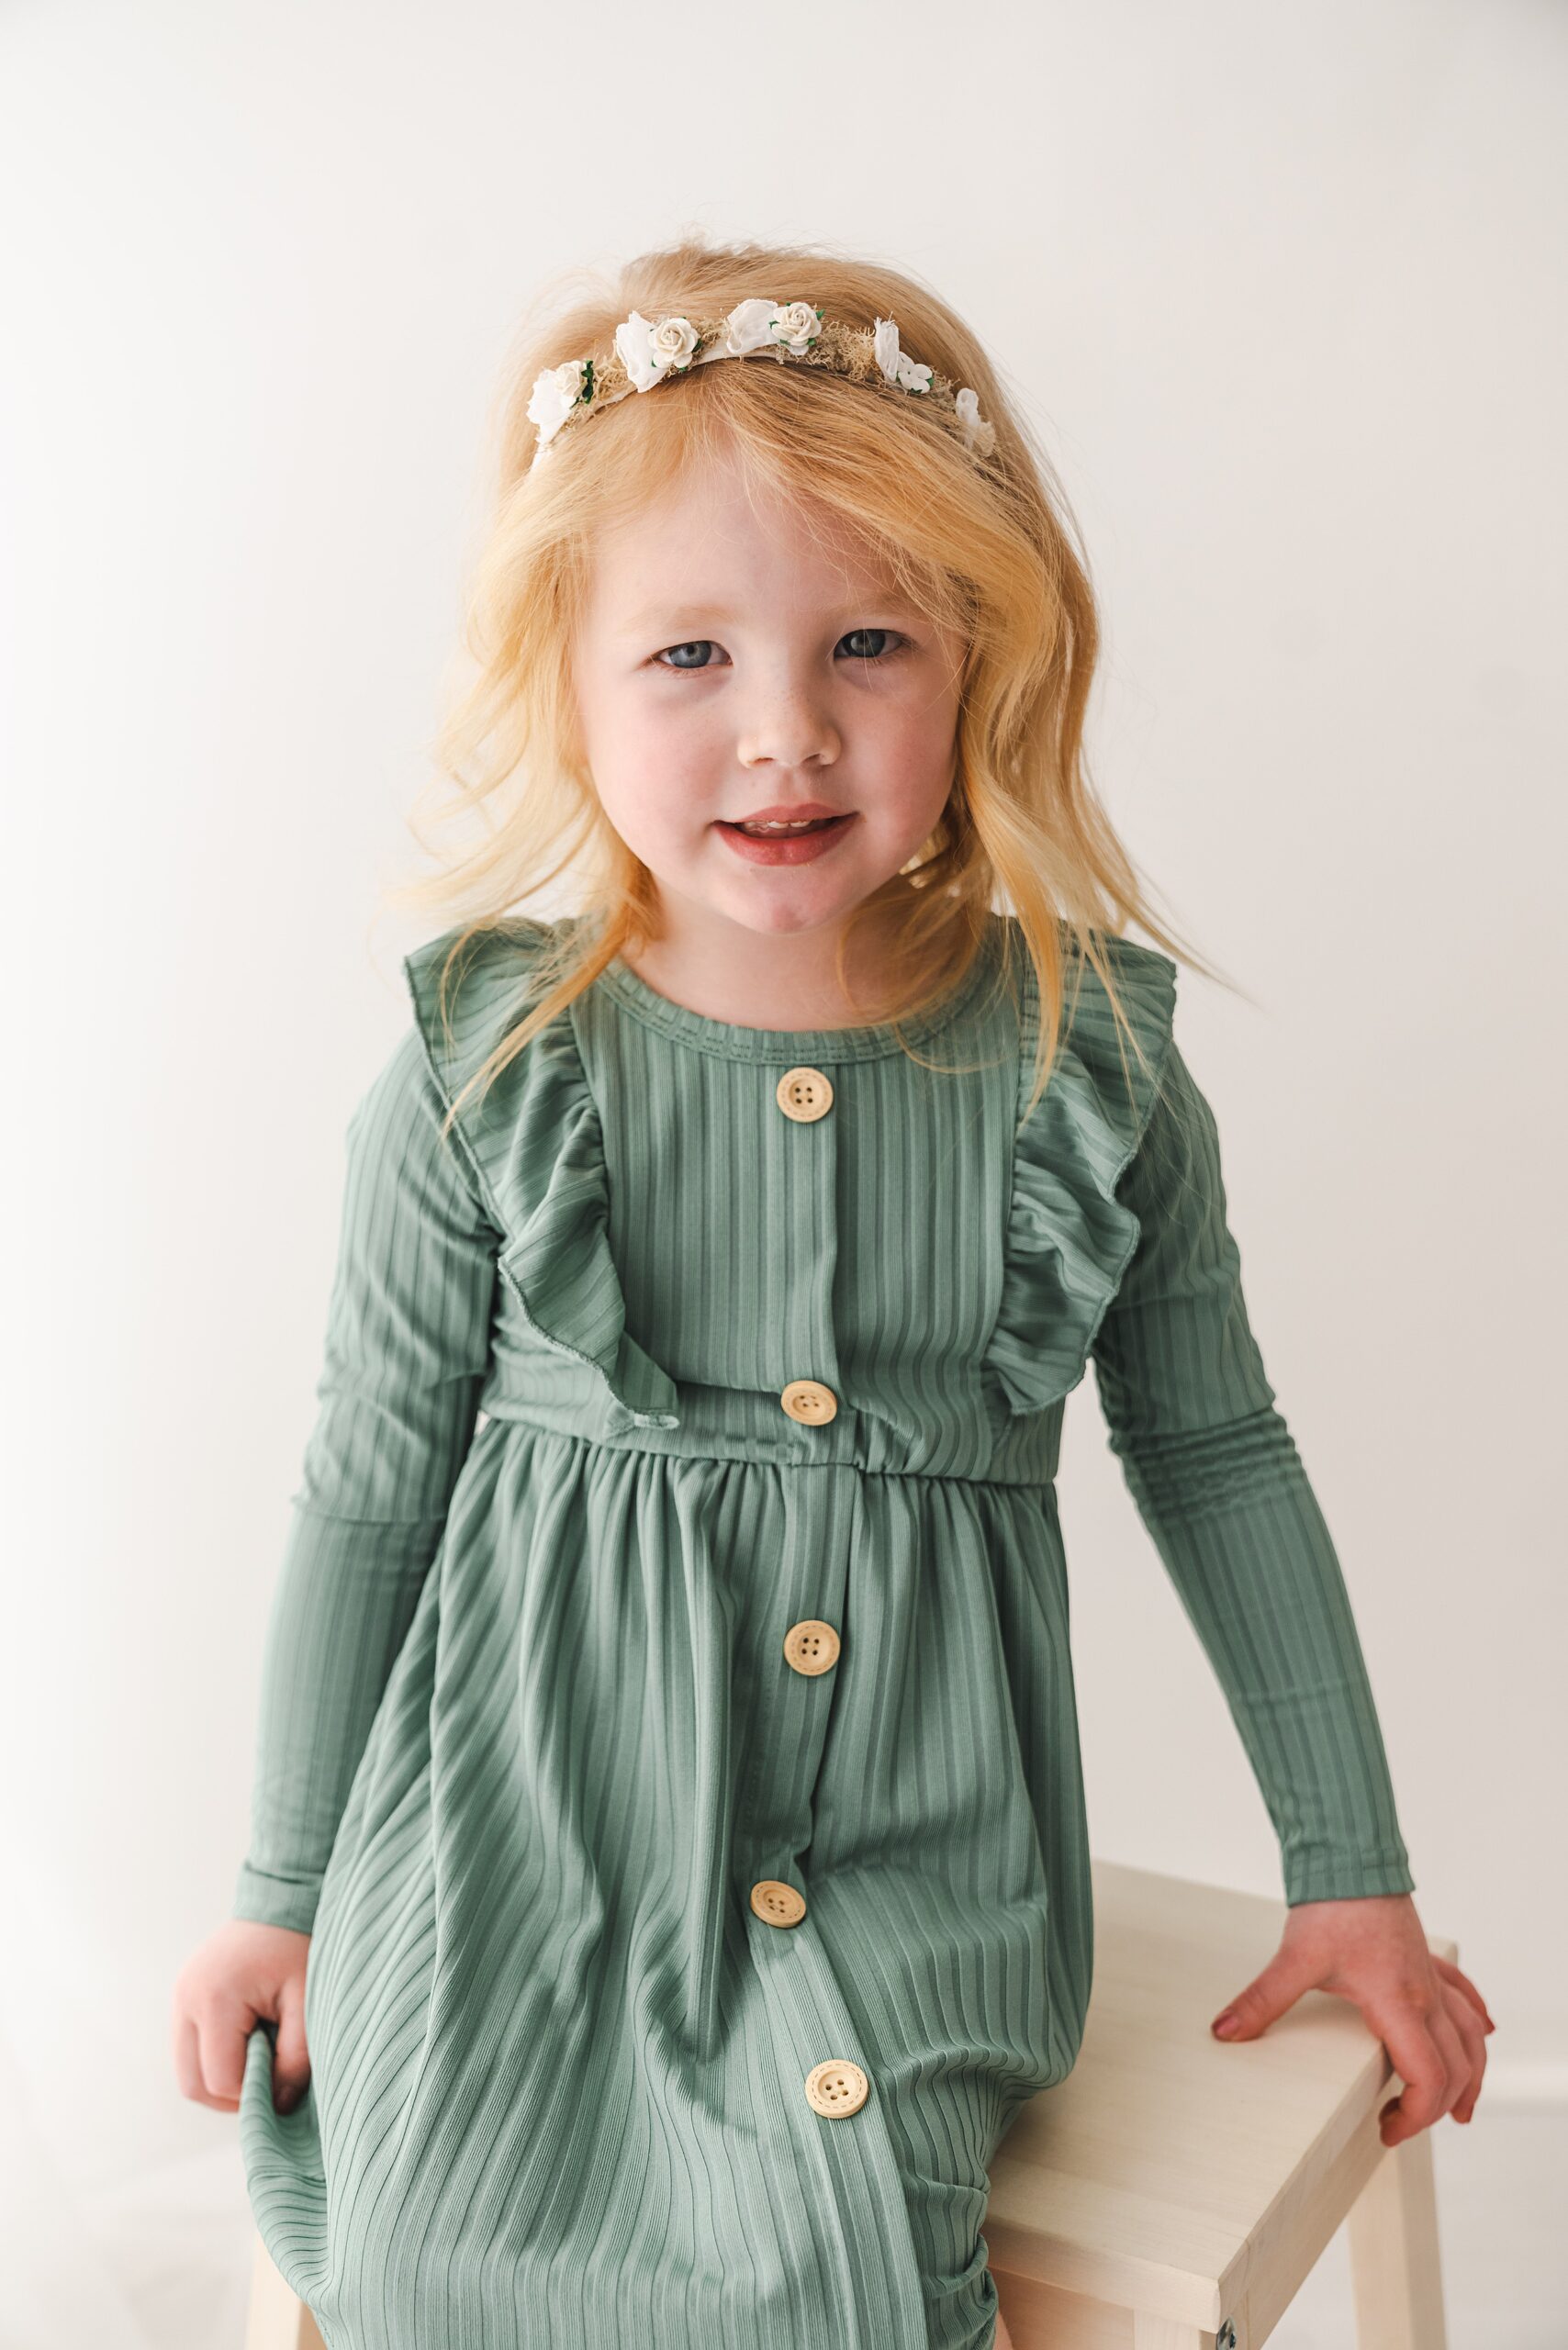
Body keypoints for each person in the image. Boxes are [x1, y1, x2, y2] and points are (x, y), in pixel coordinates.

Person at [170, 237, 1494, 2350]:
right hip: (528, 1813)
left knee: (835, 2260)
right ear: (567, 676)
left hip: (917, 1837)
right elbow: (366, 1480)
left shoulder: (1085, 1068)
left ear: (976, 658)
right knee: (440, 2229)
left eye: (863, 640)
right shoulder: (488, 1069)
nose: (781, 732)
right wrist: (275, 1884)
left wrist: (1352, 1867)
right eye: (686, 653)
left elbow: (1217, 1454)